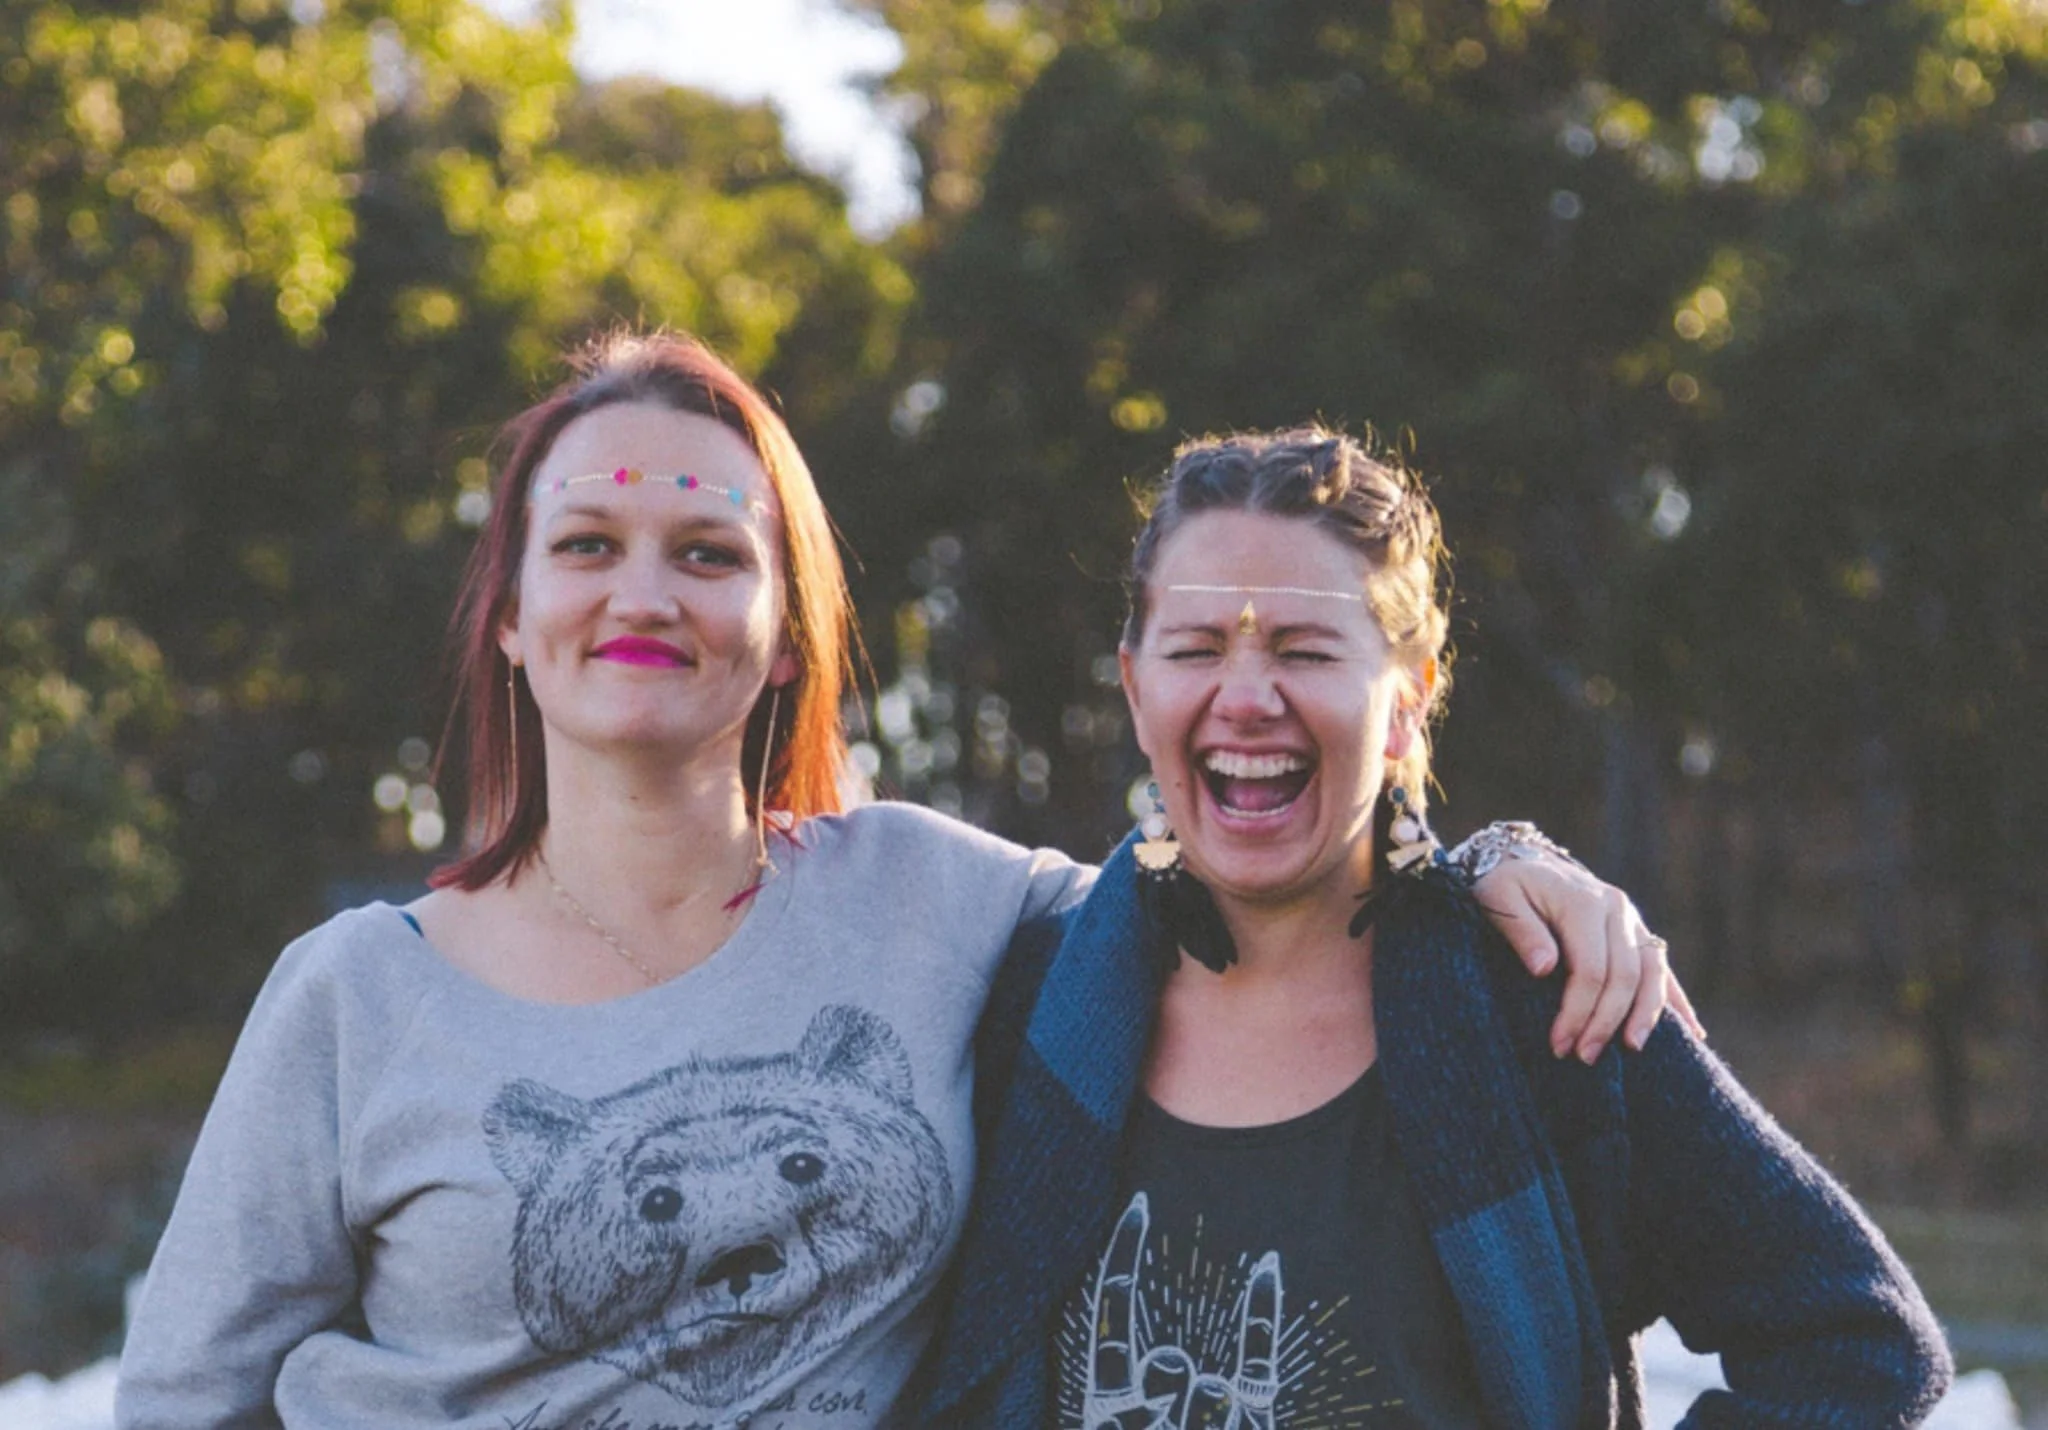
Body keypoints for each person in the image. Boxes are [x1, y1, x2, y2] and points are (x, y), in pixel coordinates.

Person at [117, 336, 1681, 1430]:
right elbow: (185, 1403)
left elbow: (1254, 876)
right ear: (511, 618)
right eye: (587, 545)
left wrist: (1490, 866)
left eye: (710, 553)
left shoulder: (943, 904)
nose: (644, 593)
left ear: (788, 627)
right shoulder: (353, 998)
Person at [916, 428, 1952, 1428]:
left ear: (1407, 698)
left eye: (1304, 648)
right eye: (1192, 648)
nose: (1244, 697)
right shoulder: (1021, 998)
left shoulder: (1541, 997)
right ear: (1137, 690)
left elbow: (1854, 1340)